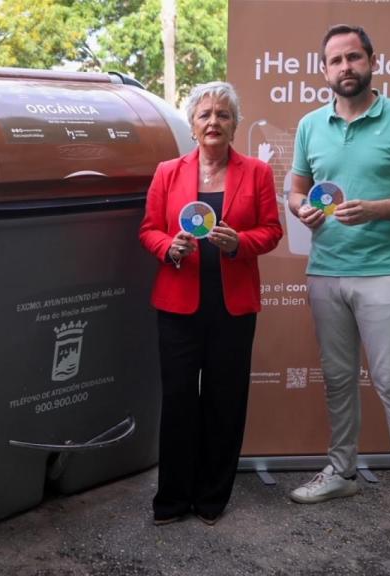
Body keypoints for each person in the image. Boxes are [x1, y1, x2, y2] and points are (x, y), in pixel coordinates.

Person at [287, 24, 390, 544]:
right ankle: (342, 473)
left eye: (353, 58)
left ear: (372, 62)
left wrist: (376, 208)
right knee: (337, 381)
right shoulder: (312, 124)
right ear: (325, 71)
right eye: (335, 61)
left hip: (387, 273)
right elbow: (296, 187)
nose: (345, 68)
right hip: (327, 272)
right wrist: (301, 209)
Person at [139, 81, 283, 526]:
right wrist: (170, 248)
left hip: (232, 307)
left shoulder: (256, 172)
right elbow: (148, 229)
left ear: (235, 124)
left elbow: (272, 231)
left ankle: (212, 497)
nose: (213, 122)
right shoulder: (168, 171)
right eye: (205, 115)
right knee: (179, 401)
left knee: (225, 401)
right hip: (179, 304)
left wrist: (239, 242)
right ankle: (173, 499)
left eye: (223, 114)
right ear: (192, 124)